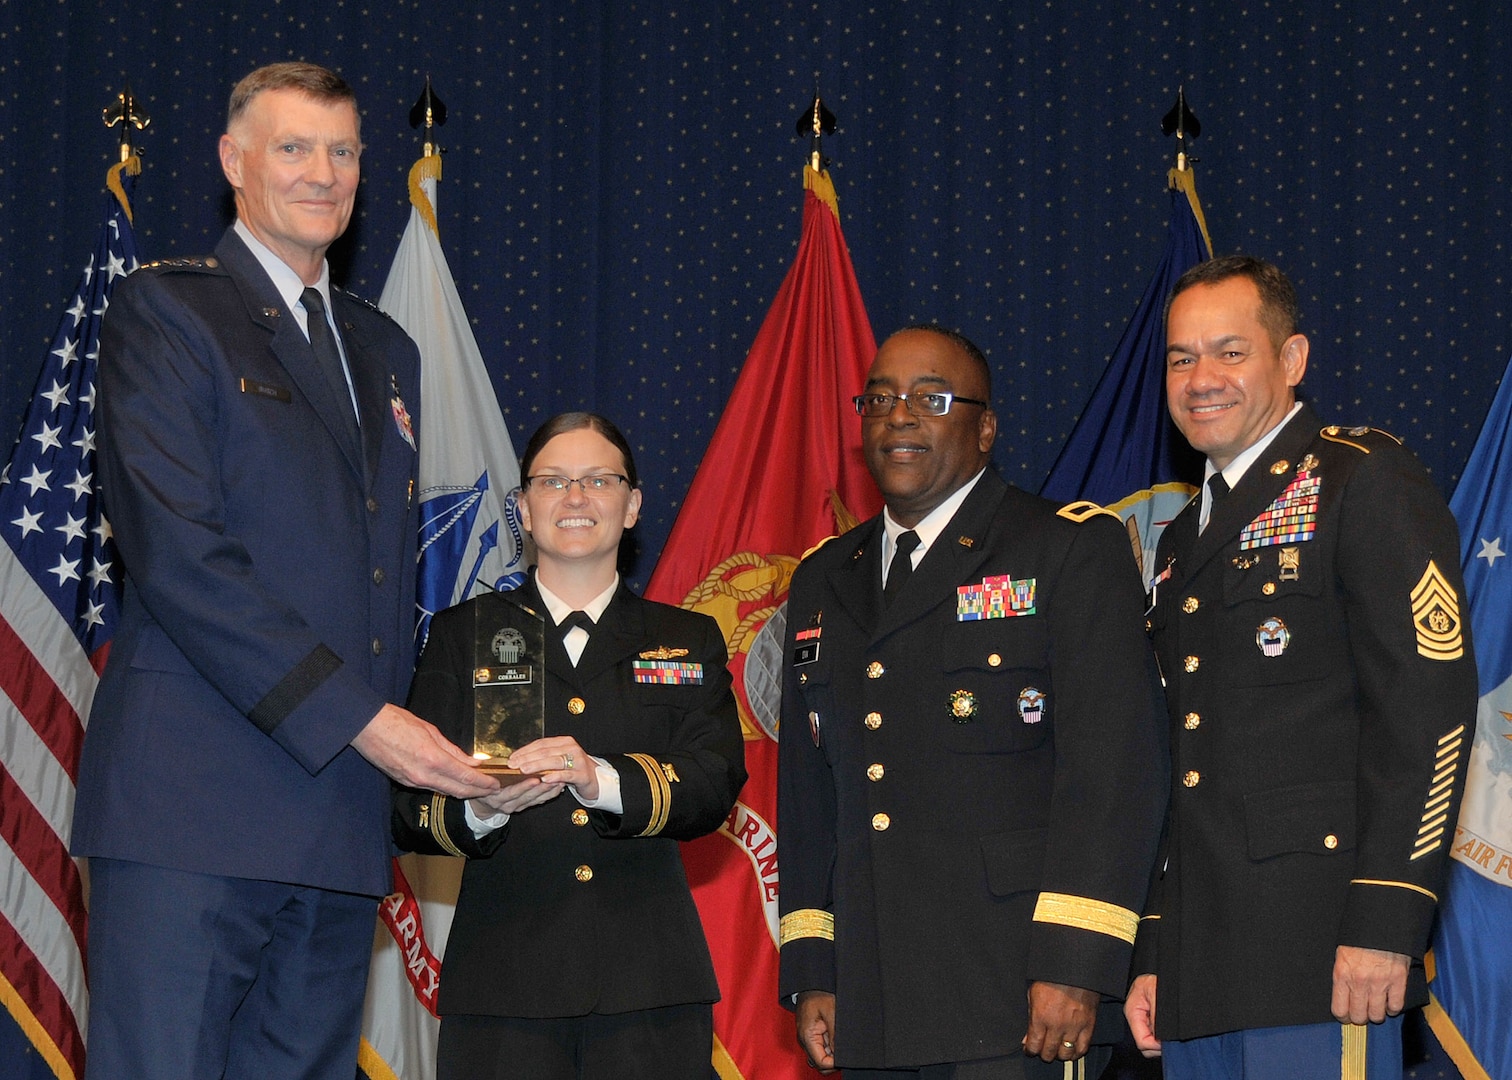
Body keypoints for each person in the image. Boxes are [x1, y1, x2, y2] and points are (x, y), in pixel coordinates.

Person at [71, 62, 497, 1080]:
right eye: (293, 148)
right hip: (192, 813)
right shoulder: (167, 313)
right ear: (235, 163)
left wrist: (464, 756)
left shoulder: (386, 349)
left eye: (343, 151)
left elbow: (389, 590)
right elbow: (182, 557)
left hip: (338, 823)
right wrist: (368, 722)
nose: (323, 174)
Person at [777, 325, 1168, 1078]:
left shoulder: (1064, 549)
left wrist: (1076, 964)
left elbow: (1115, 776)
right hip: (871, 993)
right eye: (881, 398)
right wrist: (813, 967)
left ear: (984, 429)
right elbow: (809, 794)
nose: (900, 415)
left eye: (933, 397)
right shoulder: (825, 576)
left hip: (1017, 993)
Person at [1125, 255, 1478, 1079]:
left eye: (1229, 351)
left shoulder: (1362, 479)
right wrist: (1153, 944)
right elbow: (1182, 762)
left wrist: (1390, 917)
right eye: (1180, 358)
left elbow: (1428, 712)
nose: (1201, 377)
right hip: (1199, 969)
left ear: (1292, 361)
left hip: (1324, 953)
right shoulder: (1178, 544)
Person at [392, 412, 747, 1080]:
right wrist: (486, 807)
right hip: (503, 990)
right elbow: (406, 803)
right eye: (553, 482)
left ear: (633, 504)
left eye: (598, 480)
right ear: (523, 508)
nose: (576, 497)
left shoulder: (688, 638)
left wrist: (600, 780)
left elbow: (715, 779)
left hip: (650, 992)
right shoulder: (464, 634)